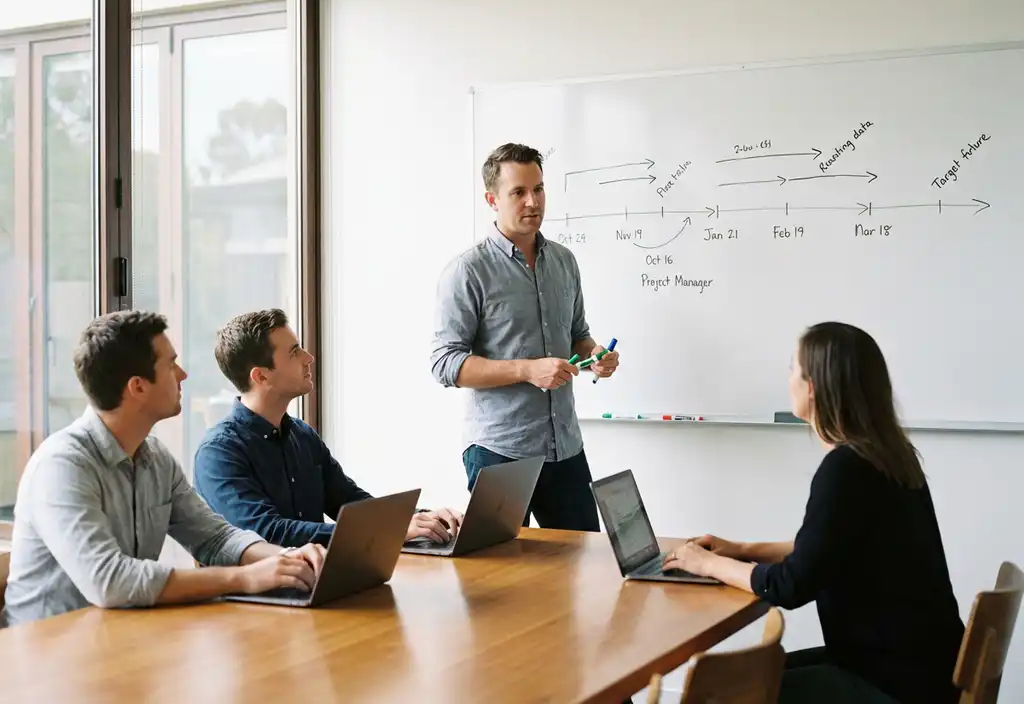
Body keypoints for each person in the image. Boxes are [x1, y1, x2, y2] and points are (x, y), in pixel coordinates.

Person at [661, 322, 965, 704]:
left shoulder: (846, 468)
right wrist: (741, 548)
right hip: (923, 668)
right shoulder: (887, 456)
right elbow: (829, 549)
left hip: (892, 683)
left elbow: (790, 585)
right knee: (753, 675)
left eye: (794, 369)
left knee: (719, 693)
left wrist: (705, 564)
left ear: (813, 387)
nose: (788, 378)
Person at [1, 311, 325, 628]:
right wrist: (242, 578)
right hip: (40, 651)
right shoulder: (62, 465)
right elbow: (110, 581)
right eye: (171, 365)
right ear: (138, 387)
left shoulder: (155, 456)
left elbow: (216, 538)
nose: (183, 374)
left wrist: (289, 558)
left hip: (116, 639)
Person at [430, 142, 620, 532]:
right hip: (500, 451)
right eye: (518, 192)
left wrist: (595, 353)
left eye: (539, 188)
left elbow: (578, 335)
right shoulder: (468, 271)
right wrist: (527, 369)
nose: (533, 201)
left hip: (564, 446)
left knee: (580, 570)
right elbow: (444, 363)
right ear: (492, 199)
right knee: (499, 581)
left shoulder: (564, 262)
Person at [193, 309, 463, 548]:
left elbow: (349, 502)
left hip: (319, 581)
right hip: (263, 597)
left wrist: (420, 518)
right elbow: (267, 532)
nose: (308, 357)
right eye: (294, 352)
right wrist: (388, 531)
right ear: (261, 375)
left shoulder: (302, 435)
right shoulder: (218, 453)